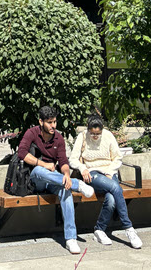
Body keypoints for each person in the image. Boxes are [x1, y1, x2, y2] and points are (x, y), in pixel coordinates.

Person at [18, 106, 95, 254]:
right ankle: (78, 184)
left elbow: (63, 161)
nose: (53, 126)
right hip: (36, 180)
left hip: (55, 180)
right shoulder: (32, 133)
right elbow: (22, 153)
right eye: (49, 122)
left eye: (54, 122)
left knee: (66, 190)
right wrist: (44, 164)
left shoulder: (58, 138)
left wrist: (66, 175)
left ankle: (71, 239)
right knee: (40, 171)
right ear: (41, 122)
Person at [69, 113, 143, 249]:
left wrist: (110, 171)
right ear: (88, 130)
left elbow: (117, 157)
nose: (95, 136)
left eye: (98, 133)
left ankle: (99, 230)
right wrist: (82, 168)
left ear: (102, 129)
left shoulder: (108, 136)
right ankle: (129, 228)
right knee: (115, 188)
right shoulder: (82, 137)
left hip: (109, 172)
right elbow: (73, 159)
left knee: (112, 199)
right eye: (92, 133)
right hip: (92, 173)